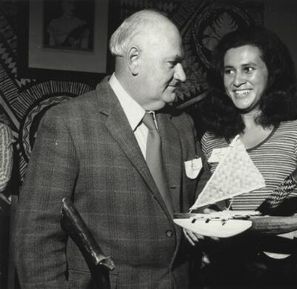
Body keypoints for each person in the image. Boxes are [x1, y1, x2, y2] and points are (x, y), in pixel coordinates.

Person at [15, 10, 207, 289]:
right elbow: (36, 238)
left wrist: (209, 208)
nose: (183, 74)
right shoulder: (68, 123)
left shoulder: (182, 124)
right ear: (134, 60)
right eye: (173, 63)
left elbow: (200, 190)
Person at [189, 26, 297, 288]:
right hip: (225, 273)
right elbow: (206, 205)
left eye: (248, 68)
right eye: (229, 71)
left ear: (271, 74)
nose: (237, 80)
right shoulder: (211, 139)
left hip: (285, 273)